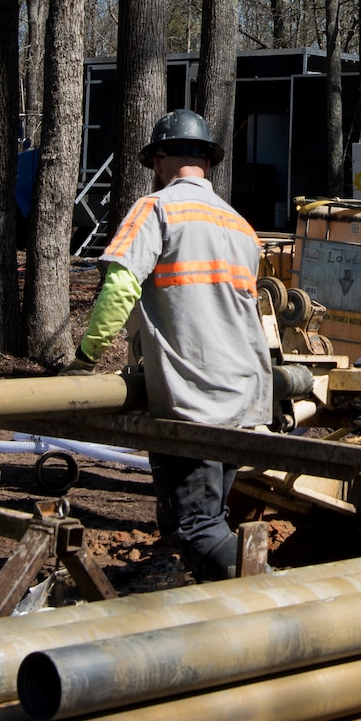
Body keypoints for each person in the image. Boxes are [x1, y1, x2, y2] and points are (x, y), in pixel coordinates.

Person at [73, 109, 270, 580]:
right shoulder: (240, 224)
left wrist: (85, 357)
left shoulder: (156, 208)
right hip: (243, 396)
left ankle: (276, 605)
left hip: (192, 399)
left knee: (197, 528)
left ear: (160, 160)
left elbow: (120, 287)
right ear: (206, 161)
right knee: (210, 517)